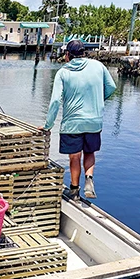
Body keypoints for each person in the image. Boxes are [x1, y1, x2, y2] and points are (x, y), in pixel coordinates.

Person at [41, 39, 116, 200]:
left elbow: (55, 101)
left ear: (67, 55)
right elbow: (112, 87)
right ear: (84, 53)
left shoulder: (63, 72)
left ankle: (74, 190)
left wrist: (48, 125)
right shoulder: (98, 66)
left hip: (72, 123)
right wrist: (98, 100)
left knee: (74, 157)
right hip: (94, 121)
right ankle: (89, 179)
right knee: (89, 152)